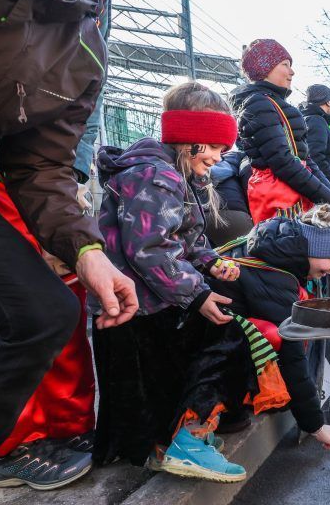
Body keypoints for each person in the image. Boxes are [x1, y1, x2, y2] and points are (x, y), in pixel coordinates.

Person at [0, 0, 138, 489]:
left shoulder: (88, 39)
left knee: (45, 312)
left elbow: (38, 162)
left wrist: (85, 249)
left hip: (23, 184)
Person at [93, 82, 254, 482]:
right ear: (190, 138)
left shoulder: (174, 174)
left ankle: (166, 444)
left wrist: (212, 264)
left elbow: (186, 240)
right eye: (215, 146)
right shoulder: (156, 176)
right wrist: (198, 293)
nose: (218, 158)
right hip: (136, 307)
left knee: (152, 393)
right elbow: (149, 248)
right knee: (225, 342)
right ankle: (189, 440)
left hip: (147, 300)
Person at [211, 204, 330, 451]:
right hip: (202, 351)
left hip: (199, 334)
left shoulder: (274, 246)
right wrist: (316, 425)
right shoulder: (278, 277)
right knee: (274, 335)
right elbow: (293, 356)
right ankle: (223, 410)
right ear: (315, 247)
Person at [230, 39, 330, 222]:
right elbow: (283, 162)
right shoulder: (259, 104)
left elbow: (305, 159)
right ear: (264, 68)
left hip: (294, 193)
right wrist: (329, 197)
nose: (292, 71)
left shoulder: (275, 104)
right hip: (282, 200)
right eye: (285, 64)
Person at [300, 84, 330, 198]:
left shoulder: (309, 119)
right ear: (328, 102)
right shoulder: (316, 120)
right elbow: (316, 158)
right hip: (327, 191)